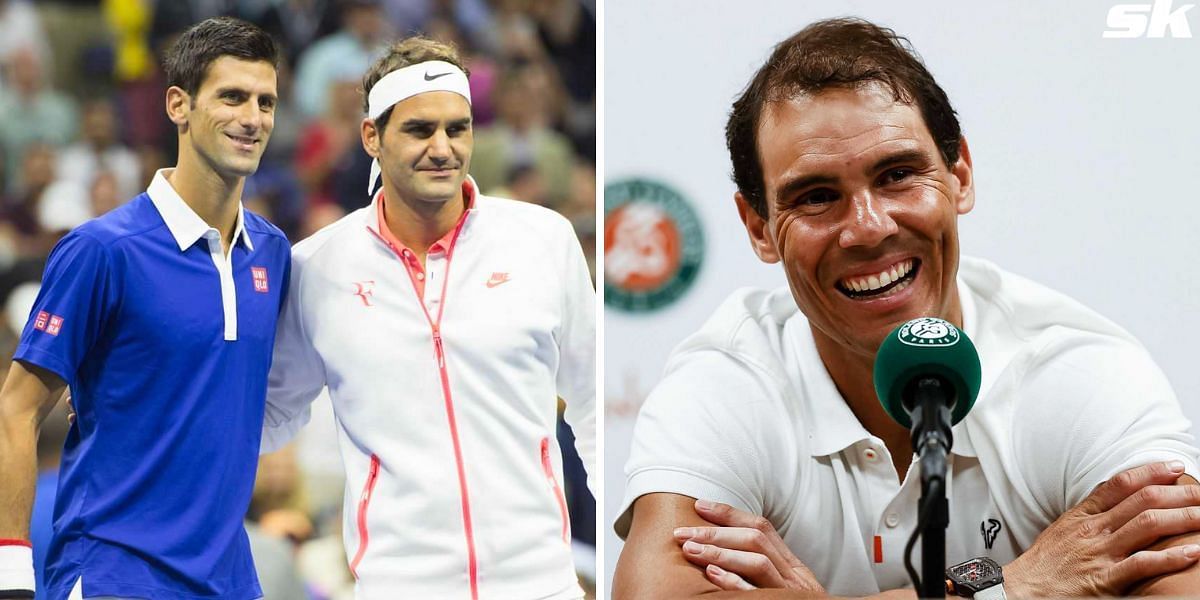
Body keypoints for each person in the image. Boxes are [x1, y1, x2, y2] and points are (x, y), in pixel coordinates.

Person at [612, 18, 1200, 598]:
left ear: (959, 174)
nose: (867, 229)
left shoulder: (1073, 371)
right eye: (817, 197)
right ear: (759, 227)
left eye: (897, 175)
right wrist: (1010, 588)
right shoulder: (729, 382)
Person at [261, 36, 596, 599]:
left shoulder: (543, 239)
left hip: (541, 585)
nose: (442, 148)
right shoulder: (317, 267)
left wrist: (625, 540)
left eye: (457, 128)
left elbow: (593, 403)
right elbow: (270, 413)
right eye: (419, 130)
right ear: (372, 136)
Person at [0, 17, 289, 600]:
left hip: (231, 576)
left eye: (265, 101)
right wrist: (10, 576)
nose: (252, 118)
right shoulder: (102, 250)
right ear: (178, 106)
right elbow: (17, 410)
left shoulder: (273, 253)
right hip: (114, 571)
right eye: (231, 97)